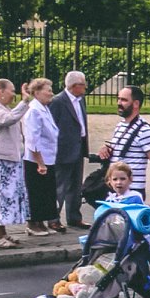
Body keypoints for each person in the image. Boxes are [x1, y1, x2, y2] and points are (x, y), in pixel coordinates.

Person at [0, 78, 32, 248]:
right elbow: (9, 119)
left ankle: (2, 232)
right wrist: (24, 101)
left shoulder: (4, 108)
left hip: (10, 159)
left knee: (8, 196)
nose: (14, 93)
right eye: (11, 90)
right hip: (1, 160)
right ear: (1, 92)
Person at [102, 86, 150, 201]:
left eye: (124, 100)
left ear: (135, 104)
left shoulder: (146, 130)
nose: (119, 103)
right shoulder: (120, 126)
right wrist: (106, 149)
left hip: (133, 192)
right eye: (118, 99)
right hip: (115, 190)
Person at [49, 71, 91, 229]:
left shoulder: (81, 100)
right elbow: (51, 126)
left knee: (76, 185)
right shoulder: (58, 101)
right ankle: (53, 218)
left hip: (78, 147)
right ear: (75, 86)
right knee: (60, 185)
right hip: (63, 149)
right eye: (83, 84)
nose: (86, 87)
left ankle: (74, 217)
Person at [22, 78, 60, 236]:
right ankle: (33, 223)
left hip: (48, 158)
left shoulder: (44, 108)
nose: (51, 93)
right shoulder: (34, 111)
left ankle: (41, 222)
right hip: (37, 160)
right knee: (36, 192)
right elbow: (32, 139)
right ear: (37, 93)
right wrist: (40, 163)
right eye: (48, 89)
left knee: (46, 192)